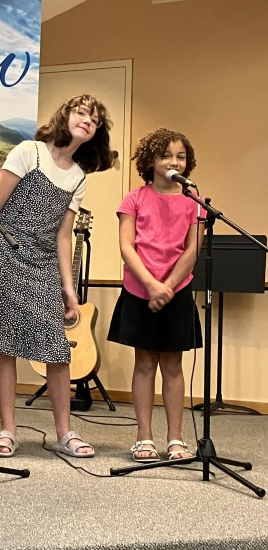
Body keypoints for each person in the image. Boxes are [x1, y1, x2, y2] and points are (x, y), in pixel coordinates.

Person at [0, 94, 114, 458]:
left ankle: (65, 432)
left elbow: (64, 234)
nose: (87, 121)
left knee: (56, 348)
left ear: (96, 133)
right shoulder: (28, 151)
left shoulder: (78, 176)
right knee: (7, 342)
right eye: (81, 113)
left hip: (44, 260)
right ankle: (7, 430)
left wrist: (69, 287)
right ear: (66, 115)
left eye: (94, 120)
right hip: (5, 251)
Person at [107, 127, 205, 463]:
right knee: (145, 362)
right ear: (151, 160)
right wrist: (151, 284)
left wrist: (168, 286)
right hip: (139, 290)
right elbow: (126, 246)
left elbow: (192, 250)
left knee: (174, 366)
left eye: (180, 156)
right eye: (166, 155)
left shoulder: (195, 203)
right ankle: (144, 437)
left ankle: (175, 439)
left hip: (176, 292)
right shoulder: (134, 199)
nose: (174, 161)